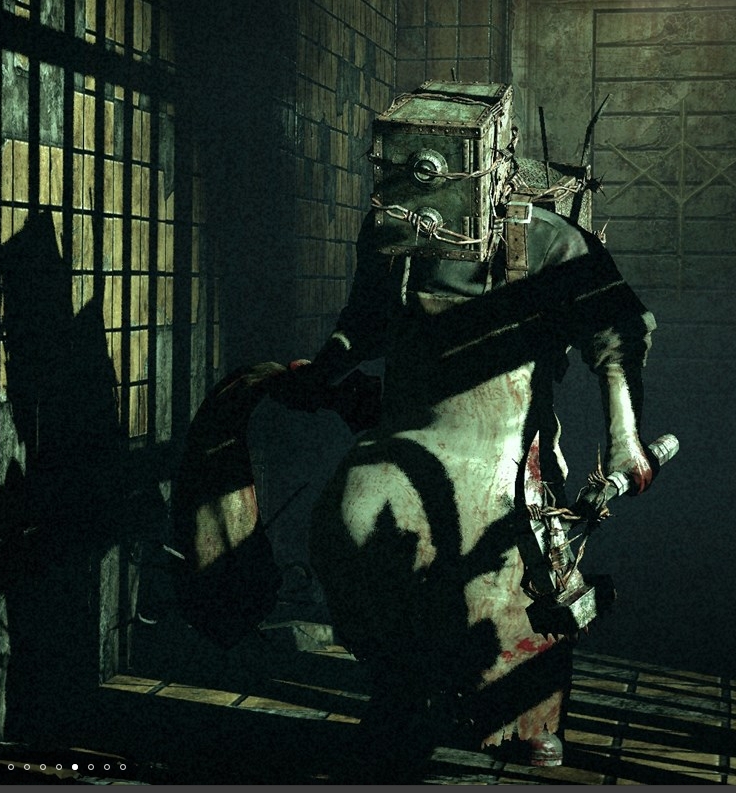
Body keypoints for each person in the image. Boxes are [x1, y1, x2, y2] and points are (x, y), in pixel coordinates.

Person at [267, 85, 658, 779]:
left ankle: (527, 714)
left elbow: (614, 334)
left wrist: (624, 436)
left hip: (506, 445)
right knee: (349, 528)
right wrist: (326, 367)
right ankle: (400, 692)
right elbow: (364, 320)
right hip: (409, 429)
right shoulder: (392, 232)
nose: (423, 190)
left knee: (514, 571)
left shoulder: (550, 240)